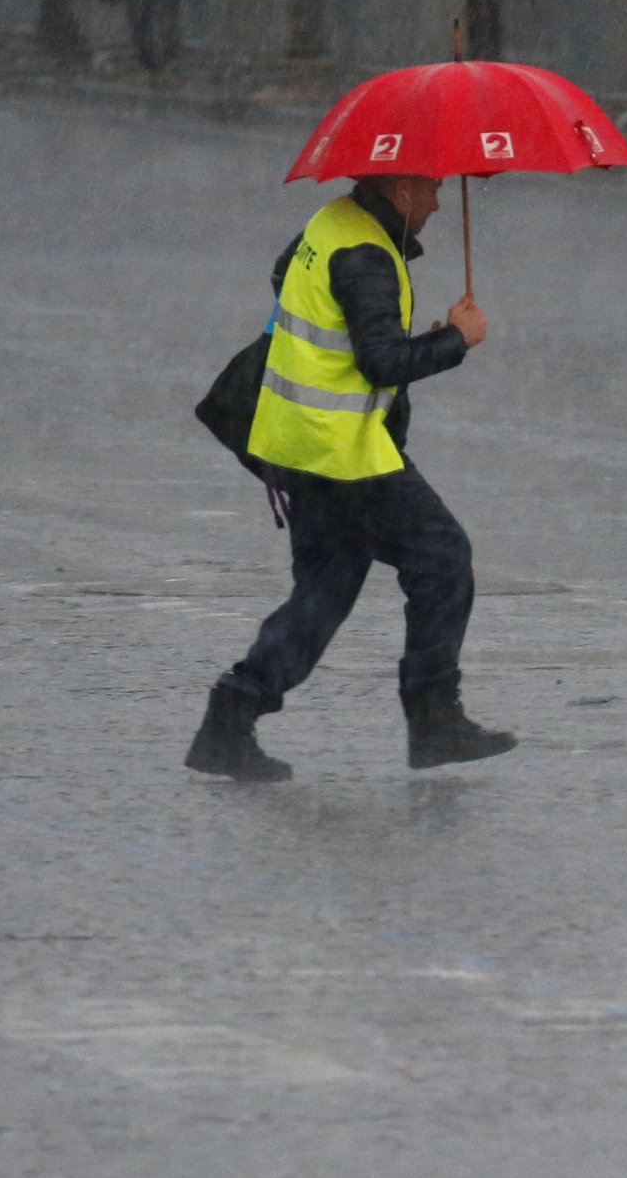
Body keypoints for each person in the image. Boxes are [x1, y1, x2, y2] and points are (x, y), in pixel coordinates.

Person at [186, 171, 506, 779]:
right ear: (402, 189)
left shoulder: (332, 222)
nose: (439, 201)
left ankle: (231, 717)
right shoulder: (366, 254)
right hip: (344, 456)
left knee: (323, 595)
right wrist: (456, 341)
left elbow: (285, 276)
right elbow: (383, 362)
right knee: (442, 558)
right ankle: (434, 720)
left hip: (299, 445)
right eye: (432, 188)